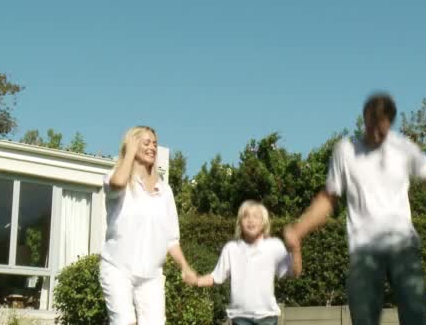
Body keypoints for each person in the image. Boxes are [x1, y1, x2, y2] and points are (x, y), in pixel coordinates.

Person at [284, 93, 426, 325]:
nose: (376, 134)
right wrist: (299, 229)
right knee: (364, 318)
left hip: (402, 243)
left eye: (382, 129)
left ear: (390, 123)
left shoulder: (404, 148)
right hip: (364, 248)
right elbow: (328, 199)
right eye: (371, 126)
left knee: (415, 314)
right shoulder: (345, 150)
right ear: (364, 118)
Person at [99, 126, 197, 325]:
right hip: (118, 268)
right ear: (132, 146)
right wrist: (129, 153)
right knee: (125, 322)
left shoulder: (165, 191)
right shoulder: (117, 179)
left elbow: (171, 239)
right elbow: (118, 182)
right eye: (146, 143)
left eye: (155, 143)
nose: (152, 147)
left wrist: (185, 267)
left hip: (151, 275)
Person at [195, 200, 302, 325]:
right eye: (246, 216)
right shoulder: (231, 249)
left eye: (256, 216)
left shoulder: (274, 246)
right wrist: (196, 280)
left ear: (264, 222)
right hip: (240, 319)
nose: (250, 220)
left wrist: (296, 249)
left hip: (267, 319)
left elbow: (295, 272)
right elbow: (215, 277)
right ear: (240, 223)